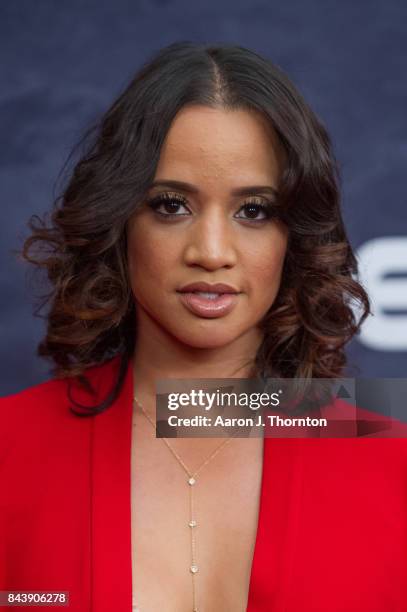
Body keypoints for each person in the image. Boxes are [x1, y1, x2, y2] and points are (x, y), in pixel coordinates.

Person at [1, 41, 407, 612]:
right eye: (171, 205)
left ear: (295, 237)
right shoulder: (9, 450)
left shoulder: (392, 462)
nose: (212, 252)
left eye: (254, 211)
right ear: (119, 220)